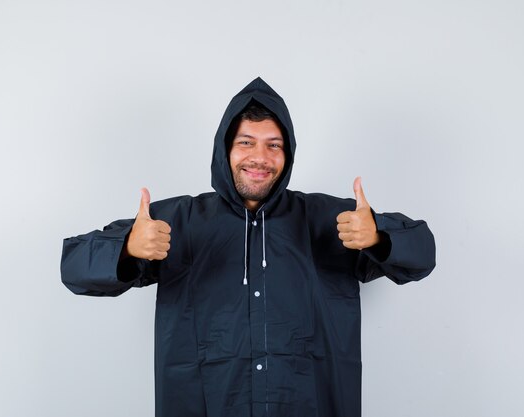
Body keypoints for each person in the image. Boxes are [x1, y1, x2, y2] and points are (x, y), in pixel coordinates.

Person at [61, 77, 436, 417]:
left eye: (273, 145)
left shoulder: (330, 220)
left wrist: (379, 238)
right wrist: (127, 248)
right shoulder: (178, 221)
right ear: (225, 150)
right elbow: (74, 266)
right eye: (246, 143)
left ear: (287, 155)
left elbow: (422, 254)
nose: (260, 157)